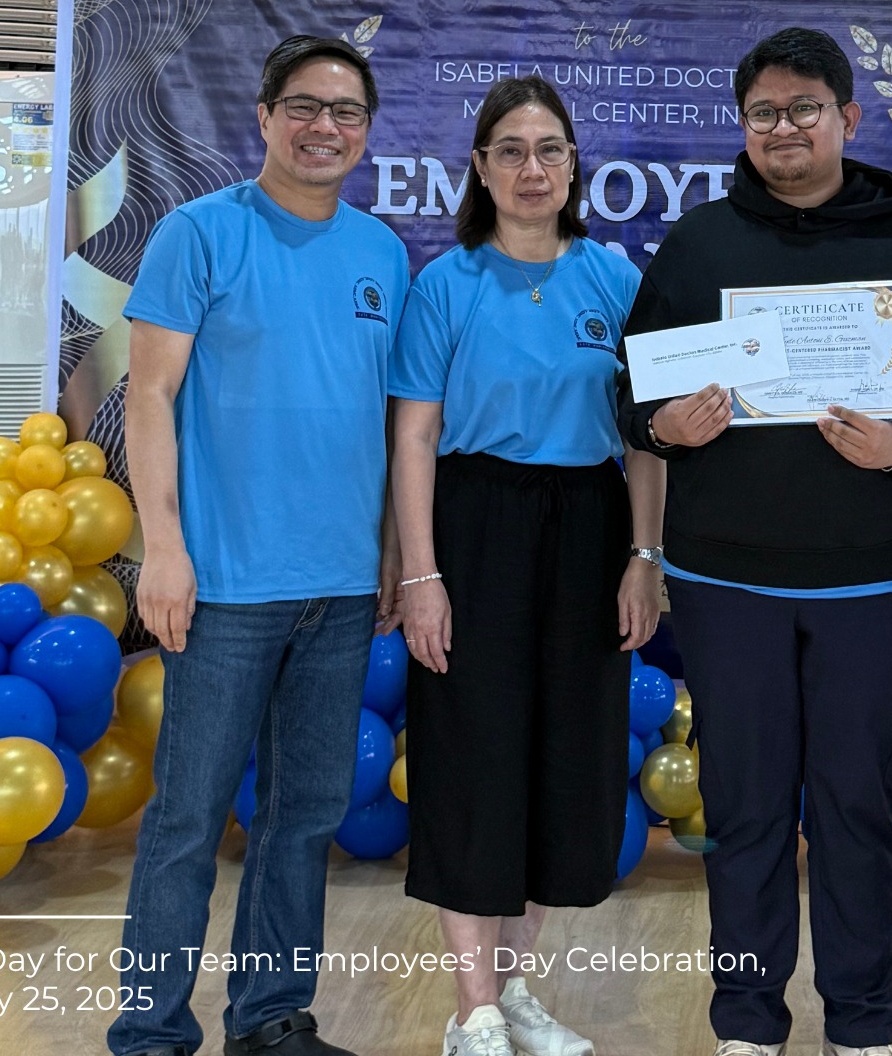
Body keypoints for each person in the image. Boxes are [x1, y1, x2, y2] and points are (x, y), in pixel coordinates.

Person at [616, 28, 892, 1056]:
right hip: (727, 580)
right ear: (743, 127)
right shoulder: (698, 246)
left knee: (859, 807)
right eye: (763, 114)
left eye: (804, 109)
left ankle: (862, 1025)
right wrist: (663, 425)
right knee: (744, 808)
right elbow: (631, 394)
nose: (784, 129)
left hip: (873, 579)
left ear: (848, 119)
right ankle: (746, 1024)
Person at [111, 35, 410, 1056]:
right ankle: (150, 1029)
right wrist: (163, 547)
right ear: (266, 116)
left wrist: (386, 549)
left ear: (366, 132)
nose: (326, 126)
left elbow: (389, 419)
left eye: (346, 112)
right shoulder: (198, 233)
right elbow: (148, 396)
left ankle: (271, 1017)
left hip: (340, 589)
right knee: (187, 820)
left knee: (304, 816)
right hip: (223, 586)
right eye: (306, 107)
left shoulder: (382, 254)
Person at [390, 76, 666, 1056]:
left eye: (550, 149)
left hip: (589, 528)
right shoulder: (446, 284)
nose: (532, 168)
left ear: (575, 165)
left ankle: (512, 994)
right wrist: (420, 574)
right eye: (509, 150)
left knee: (565, 760)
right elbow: (414, 438)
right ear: (479, 167)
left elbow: (644, 438)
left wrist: (643, 556)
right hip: (474, 526)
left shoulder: (614, 281)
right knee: (472, 756)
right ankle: (470, 1011)